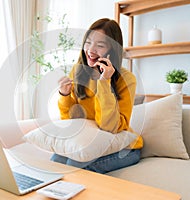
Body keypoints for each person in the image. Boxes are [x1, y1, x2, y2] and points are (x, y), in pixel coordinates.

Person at [51, 18, 143, 174]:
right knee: (56, 161)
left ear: (112, 50)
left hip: (125, 148)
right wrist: (64, 95)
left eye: (100, 45)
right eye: (88, 42)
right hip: (90, 141)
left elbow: (110, 127)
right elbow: (70, 122)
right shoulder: (78, 70)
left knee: (75, 165)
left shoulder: (127, 79)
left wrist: (104, 82)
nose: (91, 50)